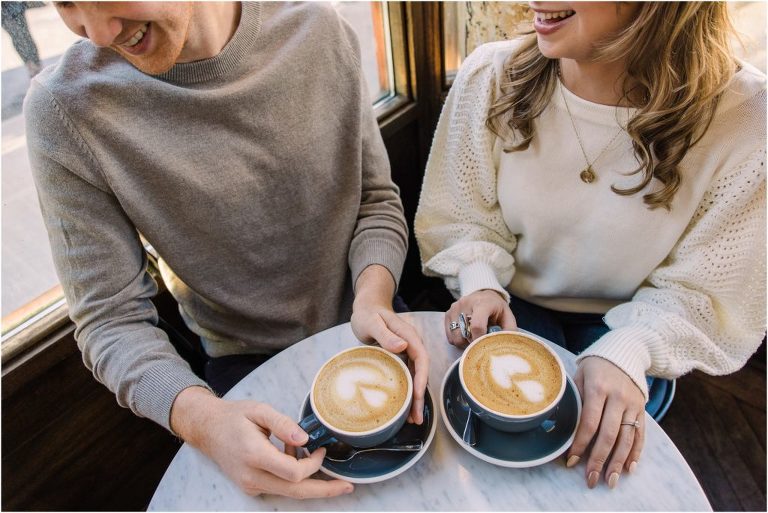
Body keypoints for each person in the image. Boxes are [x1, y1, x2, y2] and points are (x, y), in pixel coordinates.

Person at [26, 1, 429, 499]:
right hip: (242, 368)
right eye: (66, 2)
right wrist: (205, 421)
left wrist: (374, 296)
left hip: (371, 325)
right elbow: (109, 321)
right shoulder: (64, 110)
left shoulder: (320, 30)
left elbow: (375, 199)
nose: (97, 34)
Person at [415, 1, 765, 490]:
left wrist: (630, 349)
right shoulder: (489, 77)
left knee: (579, 468)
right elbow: (461, 215)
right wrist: (479, 282)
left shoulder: (746, 117)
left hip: (636, 319)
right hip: (511, 301)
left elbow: (706, 290)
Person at [2, 1, 43, 77]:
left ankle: (36, 63)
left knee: (25, 35)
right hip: (5, 13)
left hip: (15, 9)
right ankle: (30, 64)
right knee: (16, 38)